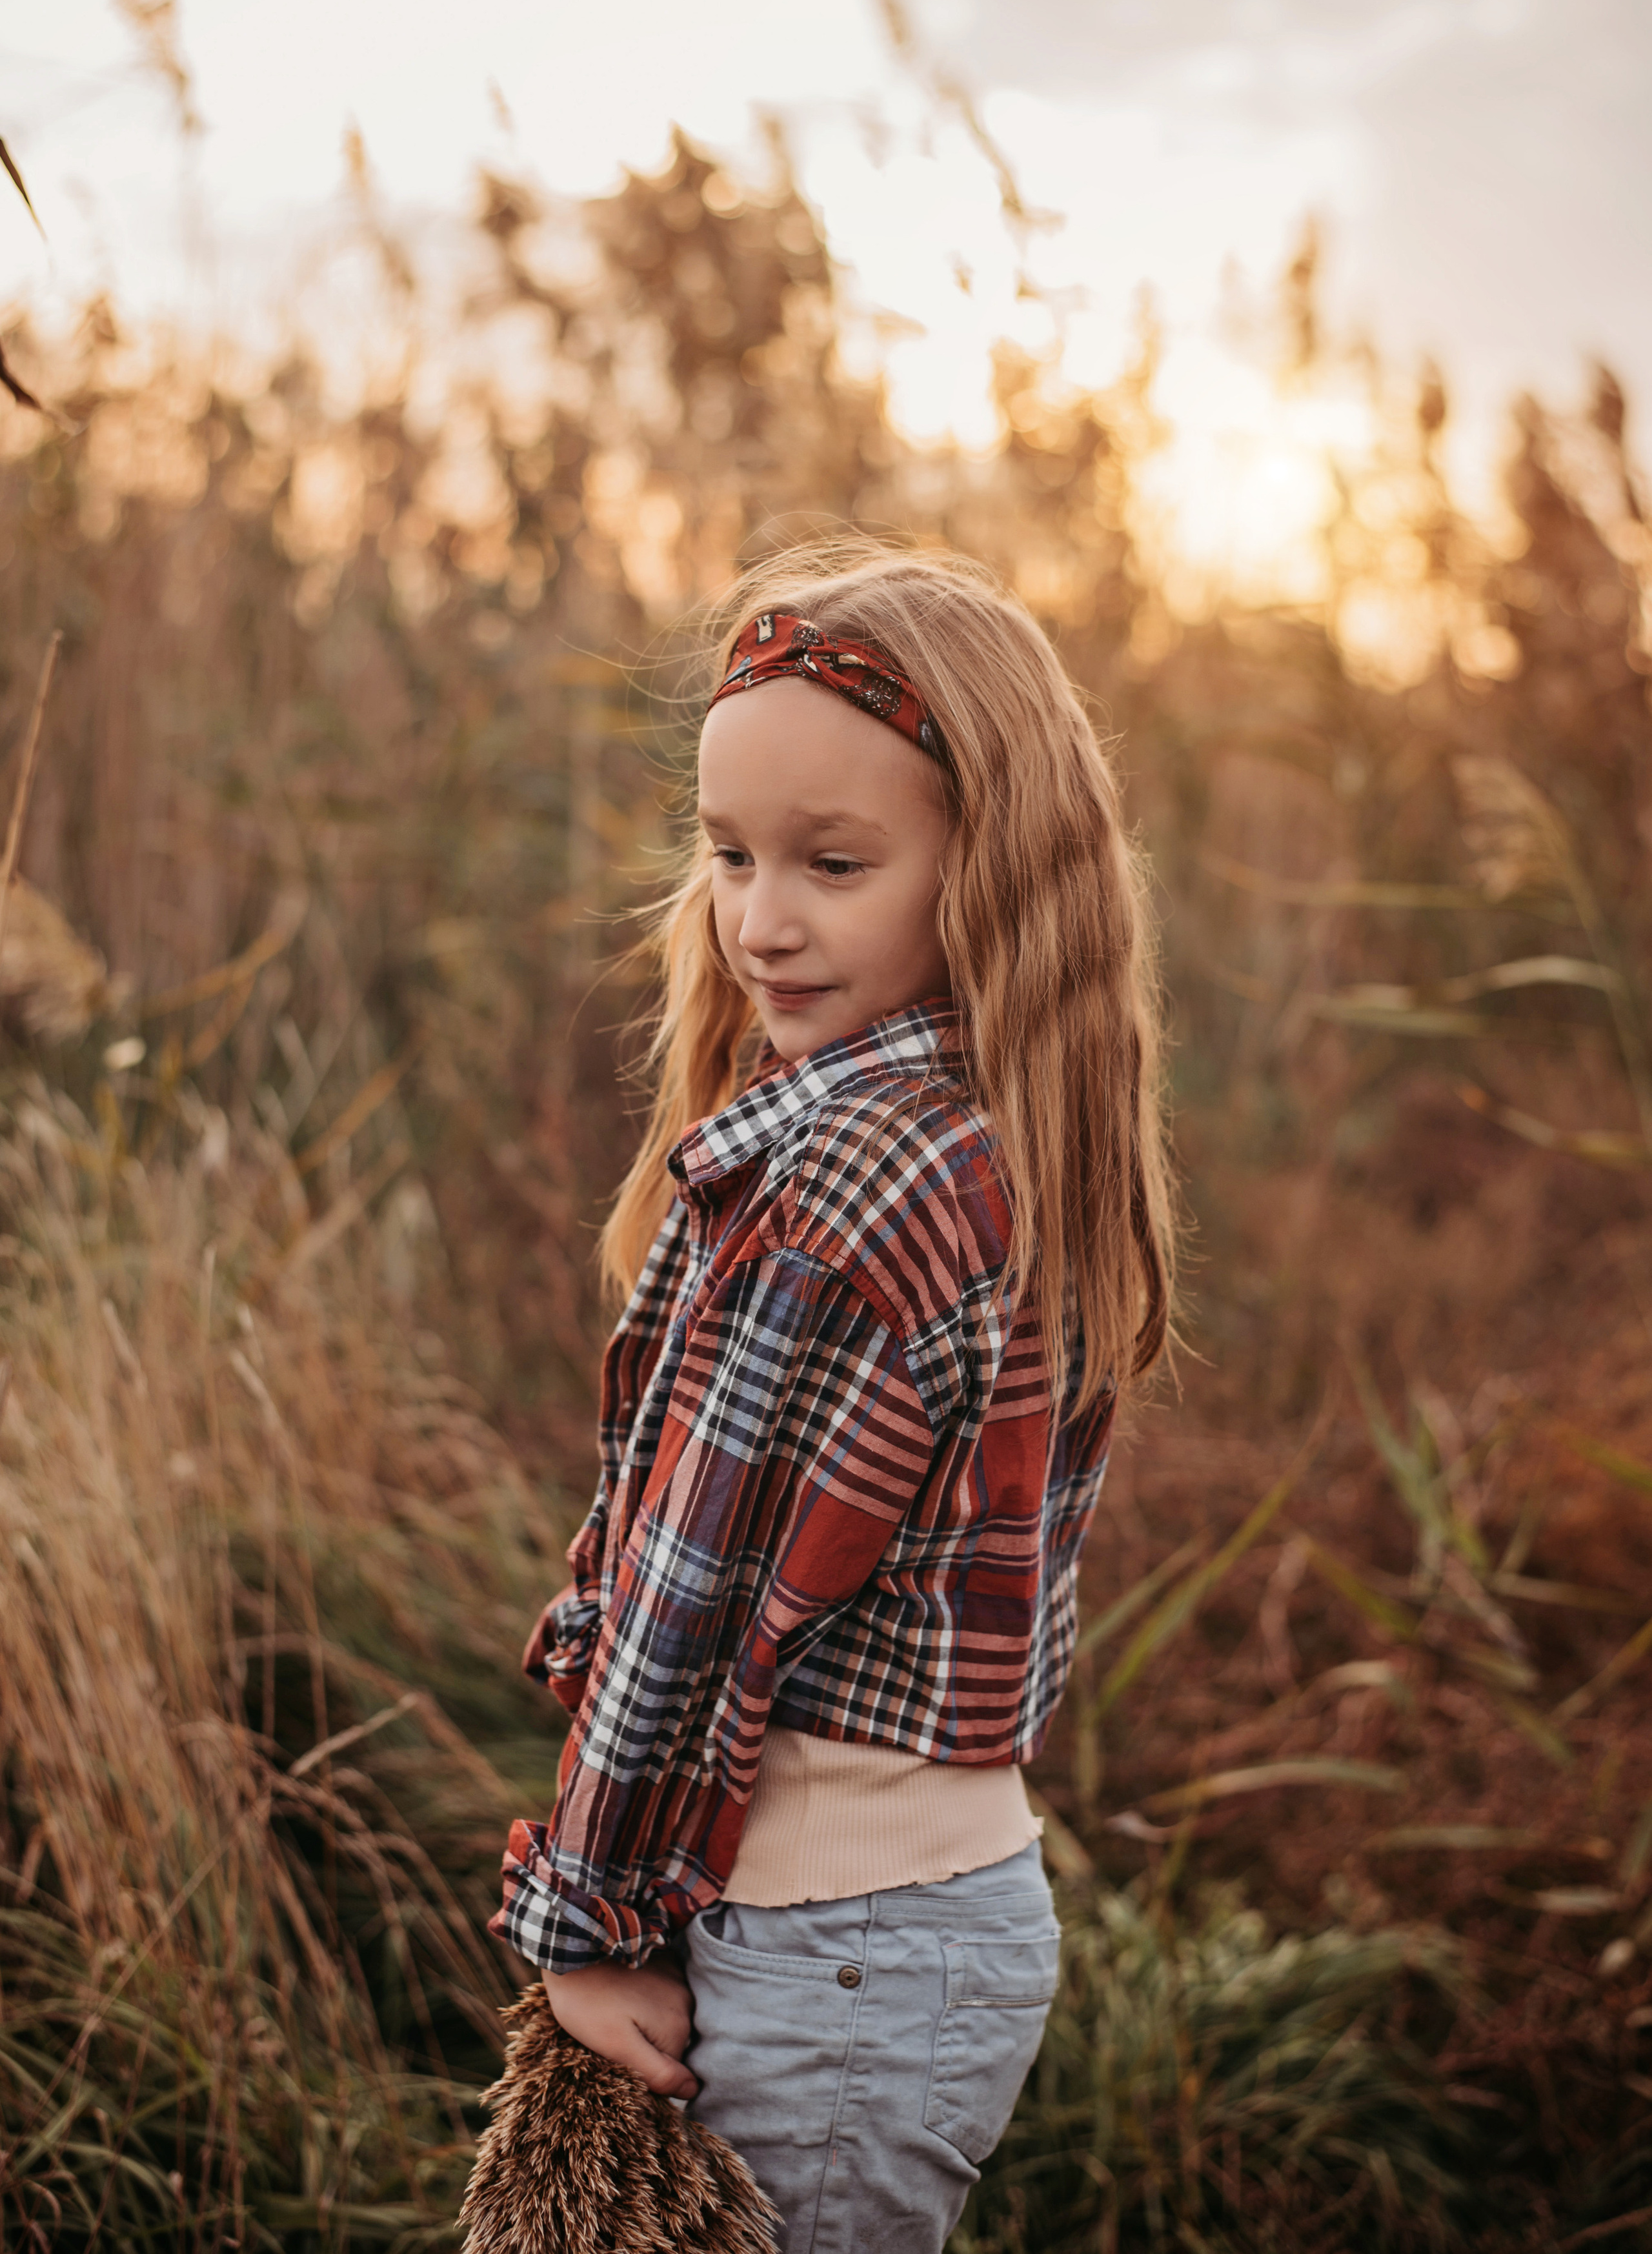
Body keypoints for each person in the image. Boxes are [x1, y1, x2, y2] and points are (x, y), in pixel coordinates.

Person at [490, 540, 1173, 2252]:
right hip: (907, 1918)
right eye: (729, 853)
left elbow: (693, 1602)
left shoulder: (859, 1174)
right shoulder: (995, 1127)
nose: (760, 918)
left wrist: (588, 1922)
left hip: (834, 1944)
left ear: (986, 868)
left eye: (834, 862)